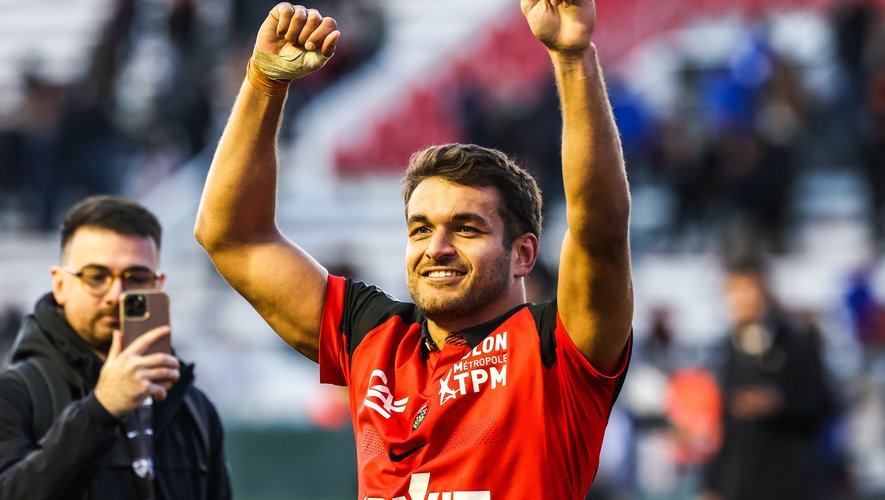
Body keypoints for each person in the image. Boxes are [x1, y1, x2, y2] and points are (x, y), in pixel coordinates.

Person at [195, 1, 632, 498]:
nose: (436, 248)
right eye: (421, 229)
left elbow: (600, 232)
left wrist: (573, 58)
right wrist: (264, 83)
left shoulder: (558, 351)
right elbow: (232, 236)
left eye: (466, 229)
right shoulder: (374, 337)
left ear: (523, 255)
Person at [0, 195, 231, 499]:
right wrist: (100, 410)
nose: (116, 294)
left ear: (157, 285)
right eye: (96, 277)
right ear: (59, 285)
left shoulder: (195, 408)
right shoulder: (15, 393)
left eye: (137, 278)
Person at [701, 261, 835, 500]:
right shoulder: (726, 348)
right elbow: (723, 428)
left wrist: (780, 402)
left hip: (789, 483)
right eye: (733, 290)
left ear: (765, 289)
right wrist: (712, 485)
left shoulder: (798, 341)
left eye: (746, 288)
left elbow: (823, 403)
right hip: (739, 486)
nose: (740, 299)